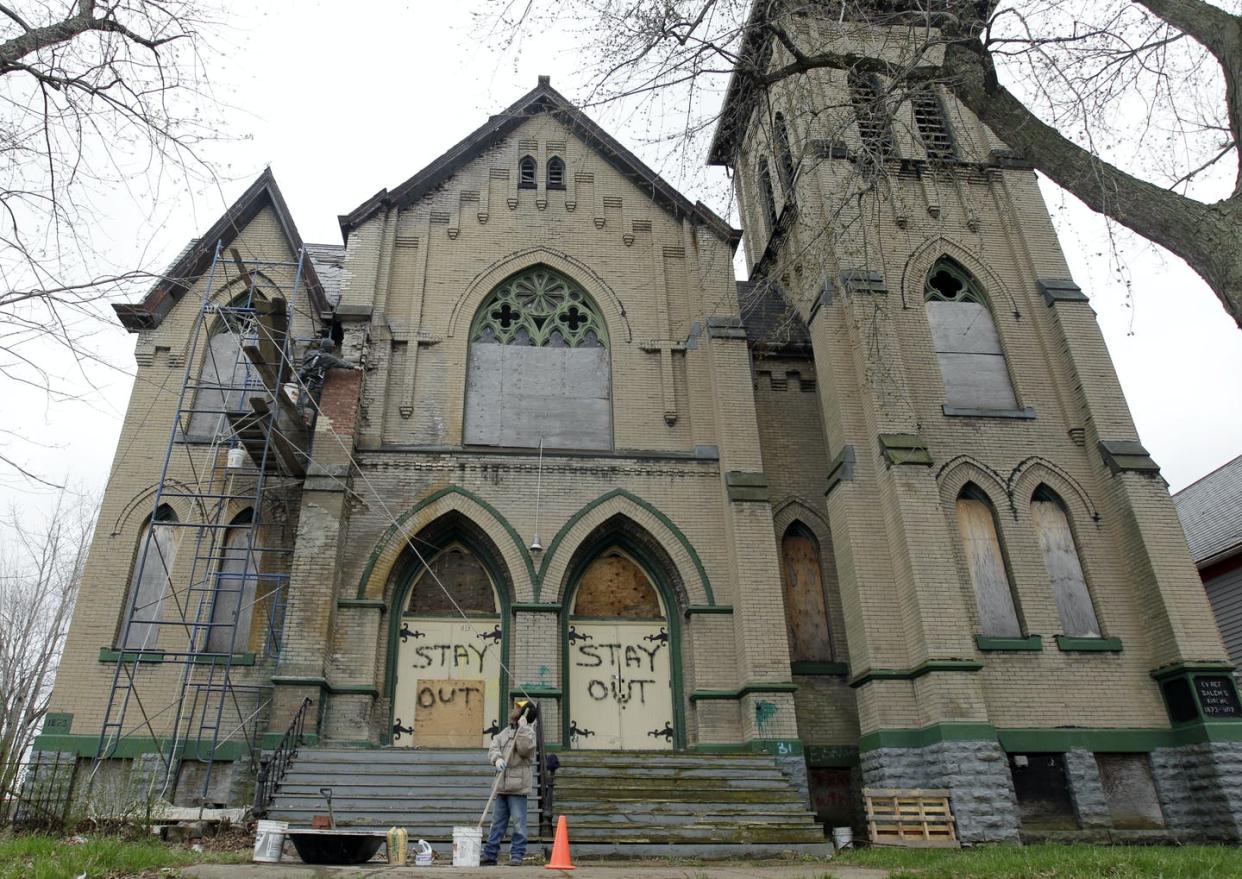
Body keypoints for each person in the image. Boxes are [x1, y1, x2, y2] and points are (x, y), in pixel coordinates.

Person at [481, 701, 537, 867]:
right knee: (497, 822)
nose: (514, 709)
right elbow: (494, 746)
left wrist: (524, 729)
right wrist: (496, 759)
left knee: (519, 822)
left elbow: (525, 749)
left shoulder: (528, 733)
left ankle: (517, 855)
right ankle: (490, 855)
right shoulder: (506, 732)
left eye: (518, 708)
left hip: (518, 786)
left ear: (524, 714)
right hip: (502, 784)